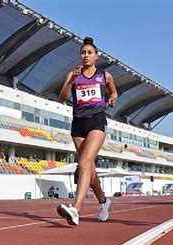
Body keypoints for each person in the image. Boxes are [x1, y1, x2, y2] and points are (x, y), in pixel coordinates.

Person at [56, 37, 118, 226]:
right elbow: (62, 98)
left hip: (97, 120)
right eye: (83, 52)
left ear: (96, 56)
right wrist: (71, 80)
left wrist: (113, 98)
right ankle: (103, 201)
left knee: (83, 162)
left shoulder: (104, 76)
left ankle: (75, 209)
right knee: (88, 169)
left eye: (90, 52)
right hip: (78, 124)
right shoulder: (73, 74)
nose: (86, 55)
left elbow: (114, 92)